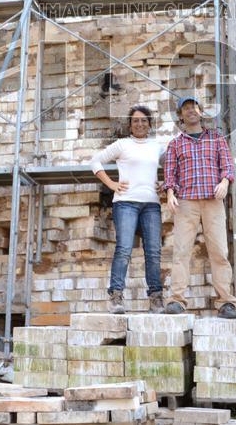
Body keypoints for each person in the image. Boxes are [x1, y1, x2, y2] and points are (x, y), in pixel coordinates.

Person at [162, 96, 236, 318]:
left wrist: (225, 182)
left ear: (201, 112)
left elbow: (227, 165)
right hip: (186, 202)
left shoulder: (215, 138)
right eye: (186, 108)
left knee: (219, 252)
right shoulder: (176, 143)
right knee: (181, 252)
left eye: (194, 107)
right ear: (181, 115)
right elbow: (170, 173)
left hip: (213, 202)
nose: (190, 111)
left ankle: (226, 303)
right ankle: (176, 300)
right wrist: (169, 193)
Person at [89, 105, 166, 314]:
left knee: (153, 252)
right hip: (125, 203)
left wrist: (166, 183)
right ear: (130, 125)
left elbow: (173, 165)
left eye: (143, 120)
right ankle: (116, 297)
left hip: (151, 203)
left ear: (149, 124)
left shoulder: (157, 147)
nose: (139, 124)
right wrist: (112, 184)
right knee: (123, 249)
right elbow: (95, 162)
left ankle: (156, 299)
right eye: (135, 121)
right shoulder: (122, 144)